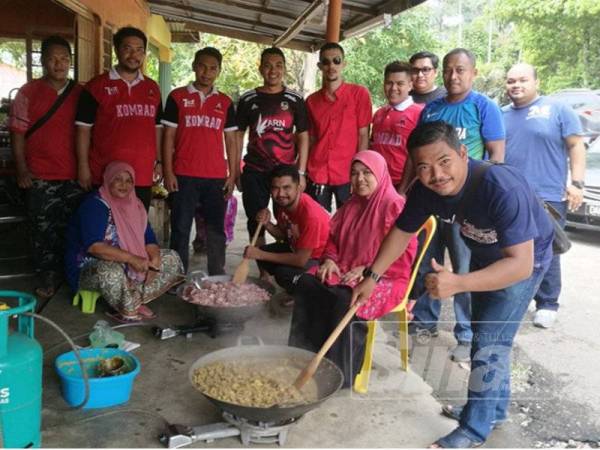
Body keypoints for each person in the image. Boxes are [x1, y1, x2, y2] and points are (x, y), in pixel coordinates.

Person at [351, 121, 553, 448]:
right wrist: (372, 277)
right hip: (485, 253)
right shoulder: (425, 189)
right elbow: (401, 232)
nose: (437, 175)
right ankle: (492, 410)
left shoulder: (501, 187)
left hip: (525, 260)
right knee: (489, 334)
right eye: (425, 167)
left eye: (444, 162)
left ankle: (473, 431)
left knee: (488, 340)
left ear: (463, 153)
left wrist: (458, 282)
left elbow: (520, 264)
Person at [289, 151, 417, 388]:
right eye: (355, 173)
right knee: (308, 283)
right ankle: (304, 352)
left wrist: (369, 270)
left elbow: (405, 254)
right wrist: (328, 259)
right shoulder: (352, 204)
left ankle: (341, 371)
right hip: (348, 267)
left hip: (387, 277)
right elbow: (333, 240)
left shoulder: (394, 205)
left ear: (380, 173)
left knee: (345, 297)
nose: (360, 179)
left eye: (367, 172)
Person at [410, 48, 505, 363]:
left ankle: (465, 334)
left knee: (463, 268)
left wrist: (485, 199)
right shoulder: (432, 109)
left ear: (473, 73)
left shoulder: (484, 107)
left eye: (460, 70)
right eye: (449, 70)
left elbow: (497, 156)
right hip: (431, 200)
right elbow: (419, 156)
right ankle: (425, 320)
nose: (454, 76)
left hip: (467, 205)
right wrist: (405, 188)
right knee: (427, 261)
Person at [503, 63, 586, 328]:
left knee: (548, 249)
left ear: (536, 81)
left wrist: (577, 183)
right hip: (510, 194)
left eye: (522, 80)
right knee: (513, 246)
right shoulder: (500, 114)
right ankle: (515, 296)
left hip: (548, 194)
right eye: (511, 81)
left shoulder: (557, 109)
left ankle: (548, 302)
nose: (516, 85)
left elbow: (576, 145)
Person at [9, 36, 84, 299]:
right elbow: (18, 134)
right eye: (53, 58)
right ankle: (47, 277)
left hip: (75, 176)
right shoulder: (27, 93)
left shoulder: (80, 93)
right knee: (42, 231)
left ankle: (71, 275)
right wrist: (22, 170)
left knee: (74, 229)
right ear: (43, 61)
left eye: (64, 58)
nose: (59, 63)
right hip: (39, 176)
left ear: (70, 62)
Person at [65, 161, 184, 323]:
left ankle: (134, 298)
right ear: (108, 180)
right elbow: (94, 247)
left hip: (128, 264)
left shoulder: (136, 204)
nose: (124, 185)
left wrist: (155, 261)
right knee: (110, 271)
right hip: (88, 268)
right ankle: (125, 306)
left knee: (170, 258)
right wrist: (131, 259)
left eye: (129, 181)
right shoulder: (95, 205)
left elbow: (149, 238)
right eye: (118, 179)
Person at [162, 46, 237, 275]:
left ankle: (217, 275)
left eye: (213, 68)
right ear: (194, 66)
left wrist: (232, 175)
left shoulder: (225, 102)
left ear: (219, 71)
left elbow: (231, 141)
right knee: (181, 228)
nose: (207, 72)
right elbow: (168, 137)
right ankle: (176, 277)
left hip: (215, 177)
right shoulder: (177, 97)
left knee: (216, 231)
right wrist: (168, 171)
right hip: (183, 174)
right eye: (203, 66)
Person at [236, 47, 309, 277]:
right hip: (255, 171)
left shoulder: (295, 99)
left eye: (278, 65)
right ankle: (264, 272)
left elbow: (304, 136)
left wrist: (302, 172)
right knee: (256, 220)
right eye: (268, 65)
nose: (273, 70)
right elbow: (238, 135)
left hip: (284, 174)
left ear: (284, 69)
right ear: (260, 69)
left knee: (288, 223)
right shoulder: (248, 99)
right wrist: (235, 170)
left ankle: (288, 268)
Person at [75, 26, 163, 210]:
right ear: (116, 50)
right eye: (128, 48)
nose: (134, 55)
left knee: (135, 228)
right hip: (104, 174)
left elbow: (157, 129)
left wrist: (160, 162)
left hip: (141, 175)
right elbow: (83, 129)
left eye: (139, 50)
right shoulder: (96, 86)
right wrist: (83, 167)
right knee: (104, 230)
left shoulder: (152, 88)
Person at [305, 42, 372, 212]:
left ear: (344, 63)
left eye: (336, 60)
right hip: (318, 172)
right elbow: (311, 139)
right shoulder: (311, 101)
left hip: (347, 172)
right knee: (319, 223)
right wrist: (302, 172)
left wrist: (360, 173)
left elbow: (364, 135)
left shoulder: (359, 94)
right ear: (320, 66)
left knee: (350, 223)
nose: (331, 66)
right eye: (326, 62)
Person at [243, 164, 330, 296]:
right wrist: (267, 224)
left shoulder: (312, 216)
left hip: (319, 260)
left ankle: (305, 294)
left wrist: (259, 254)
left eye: (286, 188)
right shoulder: (285, 205)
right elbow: (284, 235)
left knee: (283, 274)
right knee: (263, 253)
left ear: (298, 188)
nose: (280, 194)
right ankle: (296, 286)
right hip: (297, 249)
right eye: (275, 188)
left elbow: (300, 260)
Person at [371, 61, 424, 192]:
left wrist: (403, 190)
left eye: (400, 83)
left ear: (410, 85)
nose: (393, 88)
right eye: (389, 83)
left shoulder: (420, 114)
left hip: (404, 187)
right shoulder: (379, 114)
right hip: (377, 183)